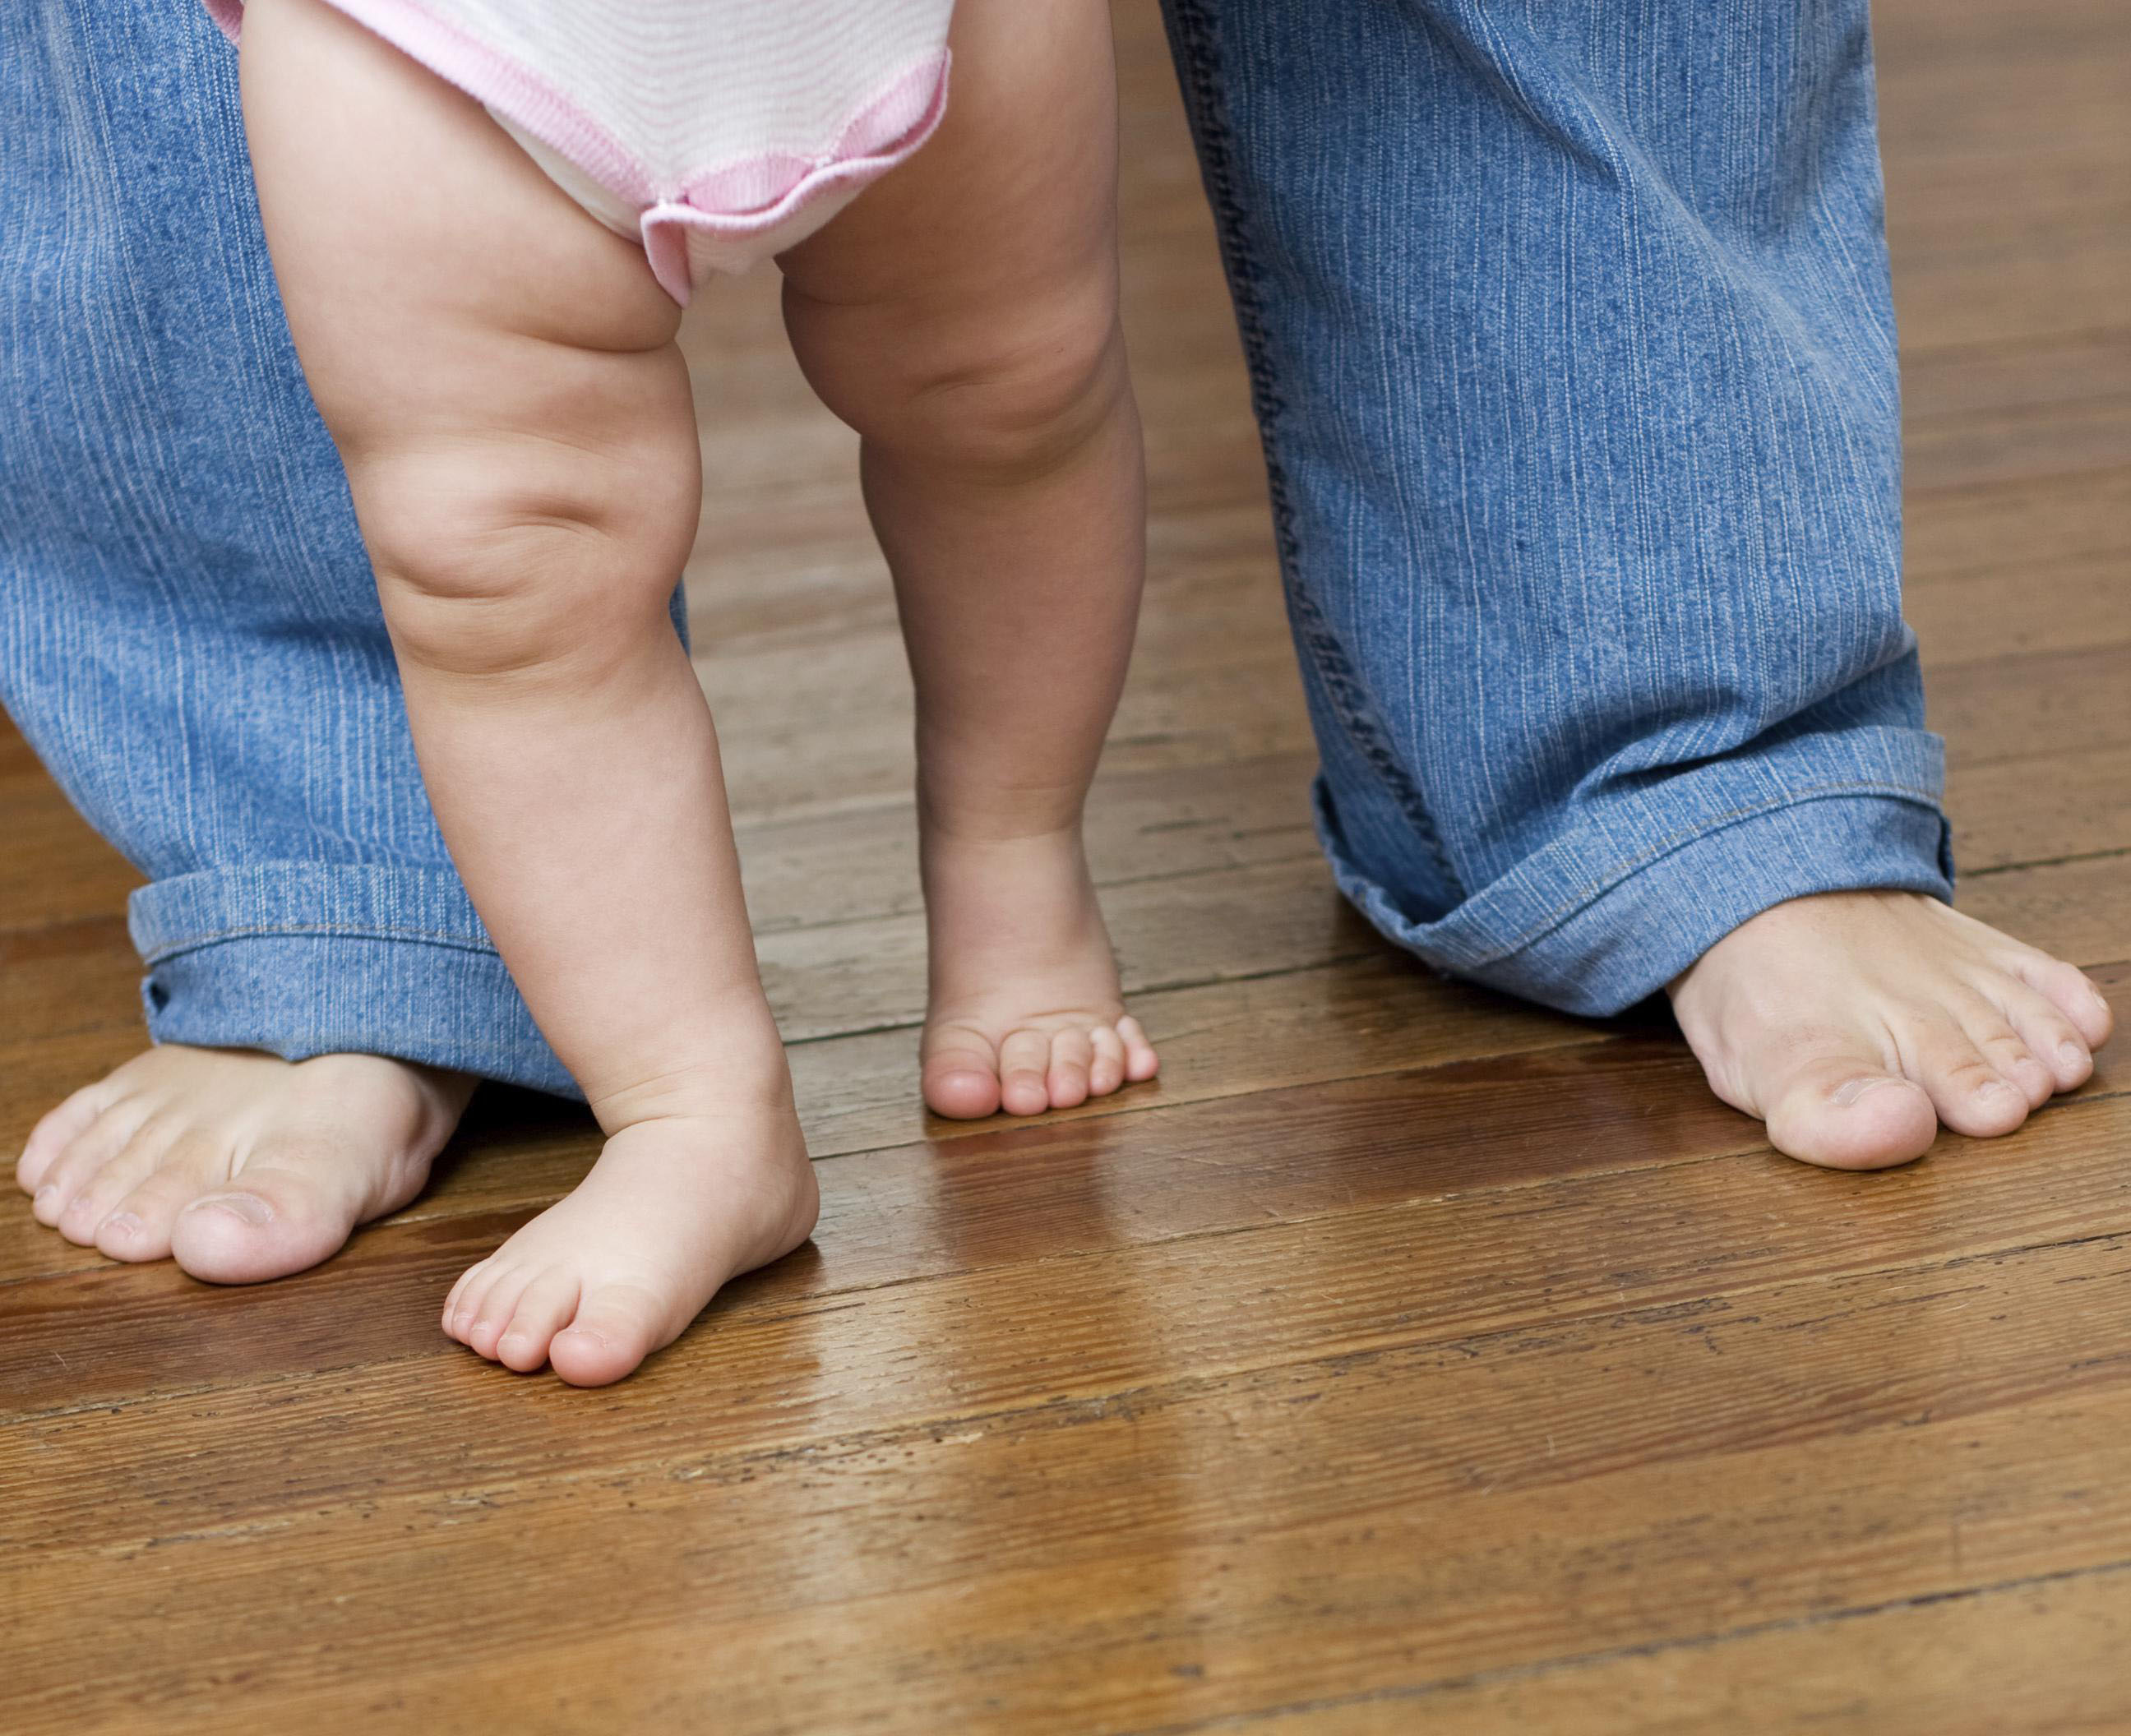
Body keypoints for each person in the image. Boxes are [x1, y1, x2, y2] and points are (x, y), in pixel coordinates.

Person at [5, 0, 2110, 1367]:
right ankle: (687, 1104)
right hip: (417, 49)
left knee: (1012, 395)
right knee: (495, 552)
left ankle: (1029, 874)